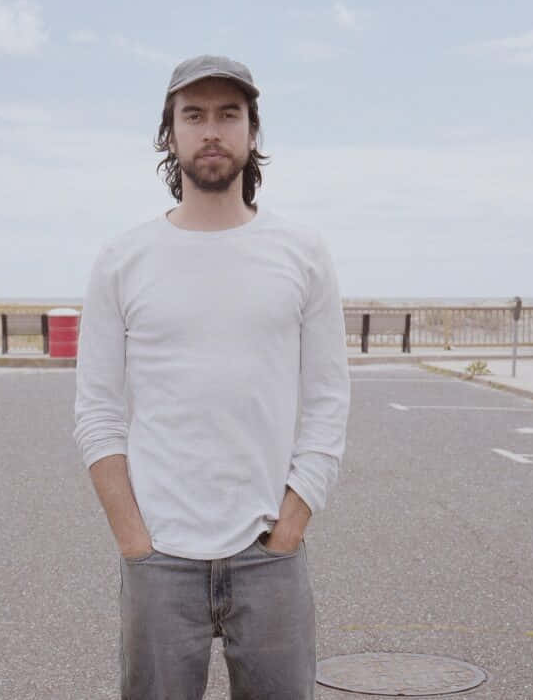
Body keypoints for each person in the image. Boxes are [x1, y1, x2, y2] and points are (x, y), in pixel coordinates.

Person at [73, 54, 351, 699]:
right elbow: (97, 411)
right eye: (193, 115)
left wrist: (291, 525)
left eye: (230, 114)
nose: (212, 130)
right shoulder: (124, 259)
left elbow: (327, 398)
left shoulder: (302, 253)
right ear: (169, 134)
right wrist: (134, 541)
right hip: (160, 559)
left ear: (253, 132)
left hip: (269, 555)